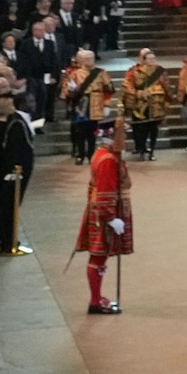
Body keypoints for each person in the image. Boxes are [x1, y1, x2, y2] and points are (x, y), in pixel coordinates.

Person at [75, 119, 132, 312]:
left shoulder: (105, 154)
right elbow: (106, 190)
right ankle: (95, 301)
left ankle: (97, 298)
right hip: (105, 213)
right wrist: (110, 217)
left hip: (101, 210)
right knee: (99, 256)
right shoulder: (108, 159)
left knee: (100, 256)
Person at [0, 92, 35, 255]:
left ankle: (11, 240)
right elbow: (13, 150)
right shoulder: (16, 123)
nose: (34, 104)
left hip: (17, 171)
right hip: (15, 172)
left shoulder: (16, 121)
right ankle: (8, 243)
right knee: (9, 207)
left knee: (12, 206)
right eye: (30, 101)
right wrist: (13, 171)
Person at [62, 48, 114, 164]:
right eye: (86, 59)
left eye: (90, 58)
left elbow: (109, 90)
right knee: (80, 131)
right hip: (81, 105)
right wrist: (71, 90)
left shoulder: (101, 73)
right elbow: (67, 91)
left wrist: (107, 105)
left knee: (92, 132)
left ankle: (91, 154)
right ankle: (80, 154)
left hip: (96, 103)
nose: (89, 60)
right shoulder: (76, 73)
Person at [122, 49, 169, 161]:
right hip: (140, 106)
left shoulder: (160, 71)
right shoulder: (135, 71)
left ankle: (152, 151)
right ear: (144, 59)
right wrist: (137, 93)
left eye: (153, 58)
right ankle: (141, 149)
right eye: (149, 59)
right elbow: (127, 86)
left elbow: (166, 87)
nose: (151, 61)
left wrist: (166, 100)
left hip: (156, 104)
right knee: (141, 129)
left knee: (154, 129)